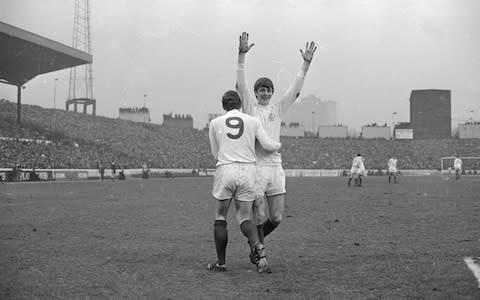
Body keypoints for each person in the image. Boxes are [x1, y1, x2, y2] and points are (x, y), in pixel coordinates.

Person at [235, 32, 316, 264]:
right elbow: (241, 84)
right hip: (257, 167)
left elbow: (295, 90)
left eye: (269, 89)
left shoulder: (277, 109)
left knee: (277, 217)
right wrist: (241, 56)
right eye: (262, 89)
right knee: (259, 214)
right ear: (256, 92)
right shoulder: (250, 107)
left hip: (275, 167)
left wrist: (305, 64)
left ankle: (255, 244)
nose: (266, 92)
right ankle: (261, 256)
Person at [207, 90, 281, 273]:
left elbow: (215, 153)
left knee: (220, 216)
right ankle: (259, 250)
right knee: (244, 217)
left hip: (226, 168)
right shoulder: (252, 121)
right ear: (240, 104)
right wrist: (278, 145)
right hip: (248, 171)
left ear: (224, 106)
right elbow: (267, 145)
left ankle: (221, 263)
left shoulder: (215, 123)